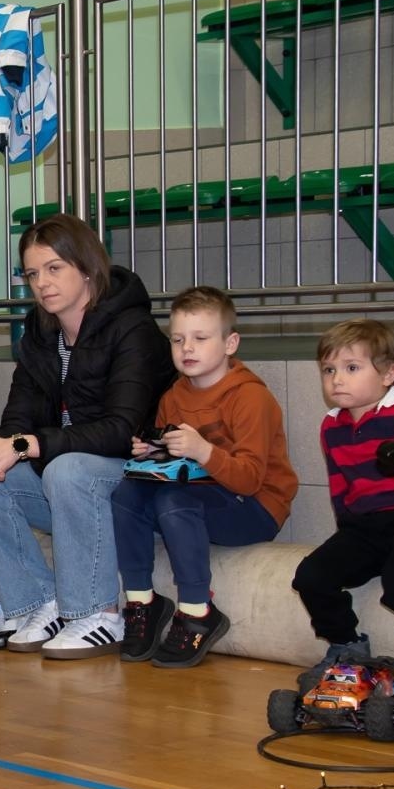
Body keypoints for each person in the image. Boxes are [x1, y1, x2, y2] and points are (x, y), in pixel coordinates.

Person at [0, 213, 172, 661]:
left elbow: (120, 431)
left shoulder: (133, 329)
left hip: (131, 486)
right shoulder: (40, 335)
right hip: (67, 485)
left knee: (67, 468)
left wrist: (25, 445)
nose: (42, 284)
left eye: (54, 268)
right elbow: (18, 418)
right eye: (33, 274)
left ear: (86, 267)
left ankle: (99, 614)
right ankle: (39, 601)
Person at [111, 286, 296, 668]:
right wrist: (154, 453)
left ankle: (198, 611)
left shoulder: (249, 397)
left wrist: (201, 450)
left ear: (230, 343)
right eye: (177, 340)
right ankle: (142, 602)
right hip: (204, 498)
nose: (187, 349)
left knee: (173, 499)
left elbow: (249, 479)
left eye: (200, 338)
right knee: (127, 491)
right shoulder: (173, 396)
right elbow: (177, 465)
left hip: (256, 507)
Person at [292, 319, 394, 669]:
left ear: (388, 373)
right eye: (329, 369)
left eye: (351, 368)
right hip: (362, 528)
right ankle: (346, 643)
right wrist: (347, 534)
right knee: (311, 576)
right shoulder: (332, 425)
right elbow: (340, 484)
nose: (337, 379)